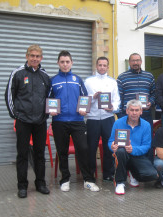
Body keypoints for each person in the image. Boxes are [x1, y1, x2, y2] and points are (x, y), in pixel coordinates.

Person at [49, 50, 99, 192]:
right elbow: (48, 99)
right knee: (62, 150)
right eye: (62, 62)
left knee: (83, 149)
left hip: (77, 121)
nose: (65, 64)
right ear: (58, 63)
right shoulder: (53, 80)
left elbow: (85, 97)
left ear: (72, 63)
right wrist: (50, 110)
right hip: (59, 121)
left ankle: (88, 180)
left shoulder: (77, 79)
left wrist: (85, 109)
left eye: (67, 62)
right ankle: (65, 179)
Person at [5, 45, 51, 198]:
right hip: (23, 121)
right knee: (22, 154)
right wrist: (16, 116)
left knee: (39, 154)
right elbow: (9, 96)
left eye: (37, 56)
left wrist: (45, 116)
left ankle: (40, 183)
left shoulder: (45, 76)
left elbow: (49, 98)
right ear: (27, 56)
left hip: (39, 122)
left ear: (41, 58)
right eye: (32, 55)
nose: (34, 59)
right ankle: (22, 186)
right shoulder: (17, 73)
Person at [108, 100, 159, 195]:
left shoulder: (146, 125)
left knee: (152, 175)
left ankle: (133, 173)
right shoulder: (118, 123)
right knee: (121, 151)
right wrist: (112, 147)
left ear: (141, 111)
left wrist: (133, 149)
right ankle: (120, 182)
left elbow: (146, 146)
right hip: (122, 154)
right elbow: (111, 141)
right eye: (132, 110)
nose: (134, 113)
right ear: (127, 111)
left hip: (138, 156)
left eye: (137, 110)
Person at [84, 56, 120, 182]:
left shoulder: (113, 82)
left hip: (108, 118)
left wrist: (112, 107)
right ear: (96, 66)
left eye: (105, 65)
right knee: (91, 147)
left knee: (108, 146)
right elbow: (83, 100)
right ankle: (91, 174)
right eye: (100, 65)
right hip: (92, 118)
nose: (102, 67)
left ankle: (108, 173)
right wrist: (93, 97)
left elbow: (117, 101)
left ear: (108, 67)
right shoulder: (88, 82)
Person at [116, 53, 155, 163]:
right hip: (127, 115)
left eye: (137, 60)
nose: (135, 63)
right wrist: (120, 115)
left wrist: (150, 103)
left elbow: (154, 93)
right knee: (126, 143)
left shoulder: (149, 76)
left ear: (141, 61)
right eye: (133, 60)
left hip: (145, 114)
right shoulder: (122, 77)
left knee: (147, 141)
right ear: (129, 62)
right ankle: (128, 168)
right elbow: (118, 96)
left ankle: (148, 167)